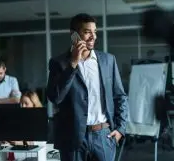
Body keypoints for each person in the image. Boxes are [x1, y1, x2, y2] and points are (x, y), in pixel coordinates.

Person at [47, 13, 129, 161]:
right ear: (73, 35)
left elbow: (120, 96)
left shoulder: (108, 60)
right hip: (72, 138)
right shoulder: (58, 63)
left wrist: (120, 129)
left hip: (104, 136)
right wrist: (72, 64)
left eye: (94, 32)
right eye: (87, 32)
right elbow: (55, 97)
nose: (93, 37)